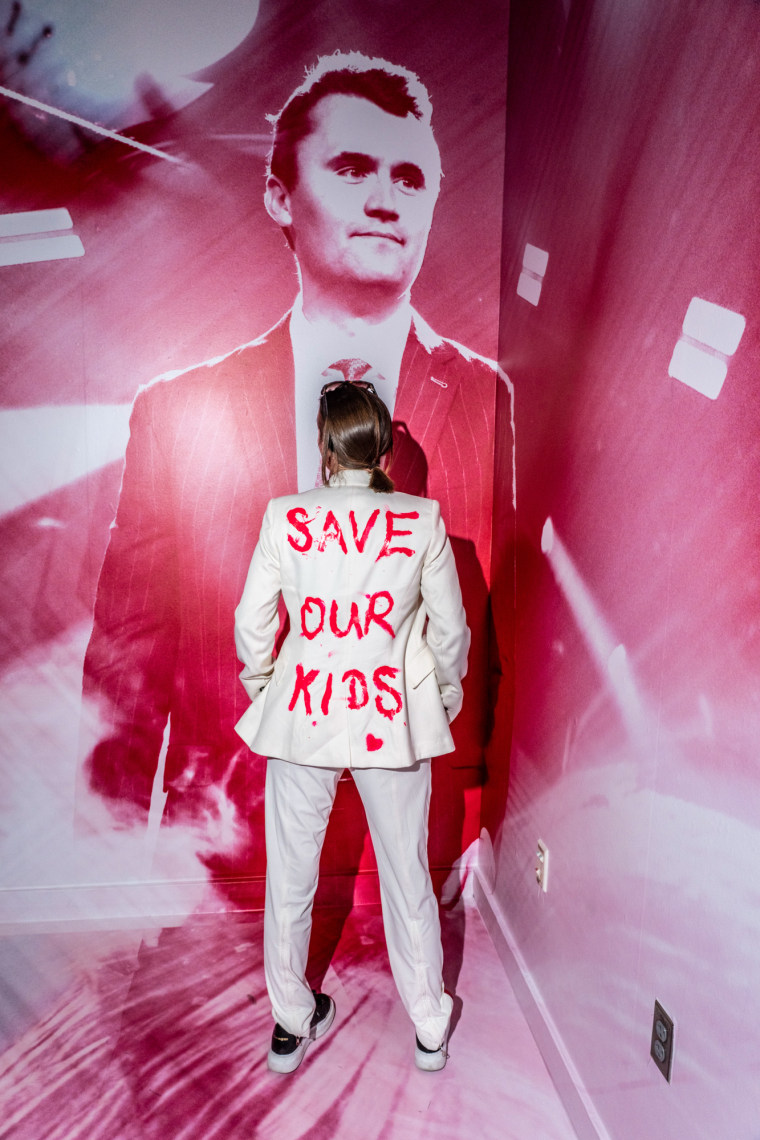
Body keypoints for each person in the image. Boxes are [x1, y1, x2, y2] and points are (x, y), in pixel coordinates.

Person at [81, 52, 504, 885]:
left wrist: (475, 794)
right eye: (352, 168)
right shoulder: (176, 411)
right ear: (281, 194)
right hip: (226, 842)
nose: (387, 199)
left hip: (413, 833)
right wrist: (112, 845)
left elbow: (489, 620)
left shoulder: (487, 398)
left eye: (412, 178)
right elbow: (130, 646)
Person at [234, 378, 469, 1072]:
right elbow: (450, 632)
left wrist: (264, 687)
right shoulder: (422, 521)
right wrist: (445, 694)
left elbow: (253, 623)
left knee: (290, 877)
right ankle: (429, 1027)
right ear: (384, 446)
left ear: (326, 445)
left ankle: (289, 1024)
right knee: (407, 877)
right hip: (389, 716)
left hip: (303, 711)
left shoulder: (285, 515)